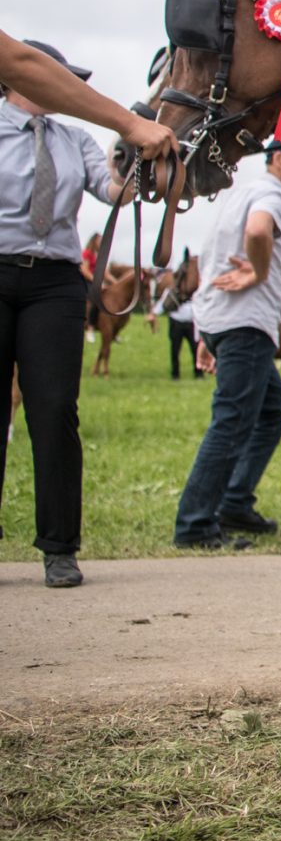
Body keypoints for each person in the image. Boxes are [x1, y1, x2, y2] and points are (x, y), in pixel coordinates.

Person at [0, 40, 147, 588]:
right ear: (19, 81)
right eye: (59, 79)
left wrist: (131, 159)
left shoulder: (77, 139)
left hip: (56, 282)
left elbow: (115, 192)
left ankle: (59, 547)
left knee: (55, 409)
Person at [172, 144, 281, 549]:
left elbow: (211, 256)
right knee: (231, 422)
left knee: (274, 407)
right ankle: (195, 525)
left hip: (223, 322)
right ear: (276, 160)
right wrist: (260, 272)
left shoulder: (239, 193)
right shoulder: (270, 194)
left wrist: (206, 332)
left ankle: (233, 502)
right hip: (245, 325)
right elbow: (257, 231)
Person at [0, 29, 175, 160]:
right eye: (55, 78)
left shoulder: (75, 140)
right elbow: (18, 64)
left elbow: (111, 188)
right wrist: (132, 125)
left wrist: (132, 164)